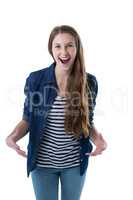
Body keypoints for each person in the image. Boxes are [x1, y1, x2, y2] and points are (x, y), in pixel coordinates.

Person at [6, 25, 107, 200]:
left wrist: (99, 141)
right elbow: (28, 119)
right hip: (42, 164)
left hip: (75, 163)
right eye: (58, 46)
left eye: (69, 45)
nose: (64, 52)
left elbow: (87, 123)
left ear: (77, 48)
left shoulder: (89, 82)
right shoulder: (36, 79)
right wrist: (12, 137)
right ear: (51, 50)